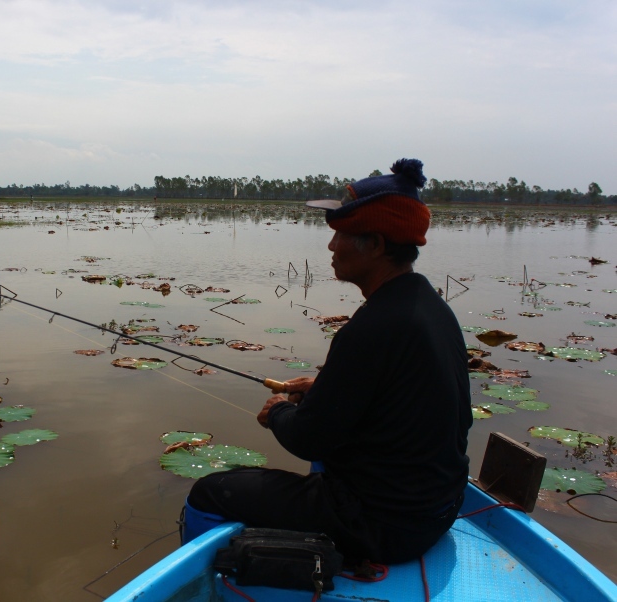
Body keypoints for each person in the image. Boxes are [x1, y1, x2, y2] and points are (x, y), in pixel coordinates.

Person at [182, 158, 472, 564]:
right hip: (437, 510)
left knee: (210, 491)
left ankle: (212, 585)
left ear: (377, 245)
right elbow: (400, 397)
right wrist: (323, 390)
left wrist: (280, 412)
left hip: (383, 526)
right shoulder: (430, 308)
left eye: (343, 235)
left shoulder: (371, 327)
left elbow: (308, 439)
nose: (331, 246)